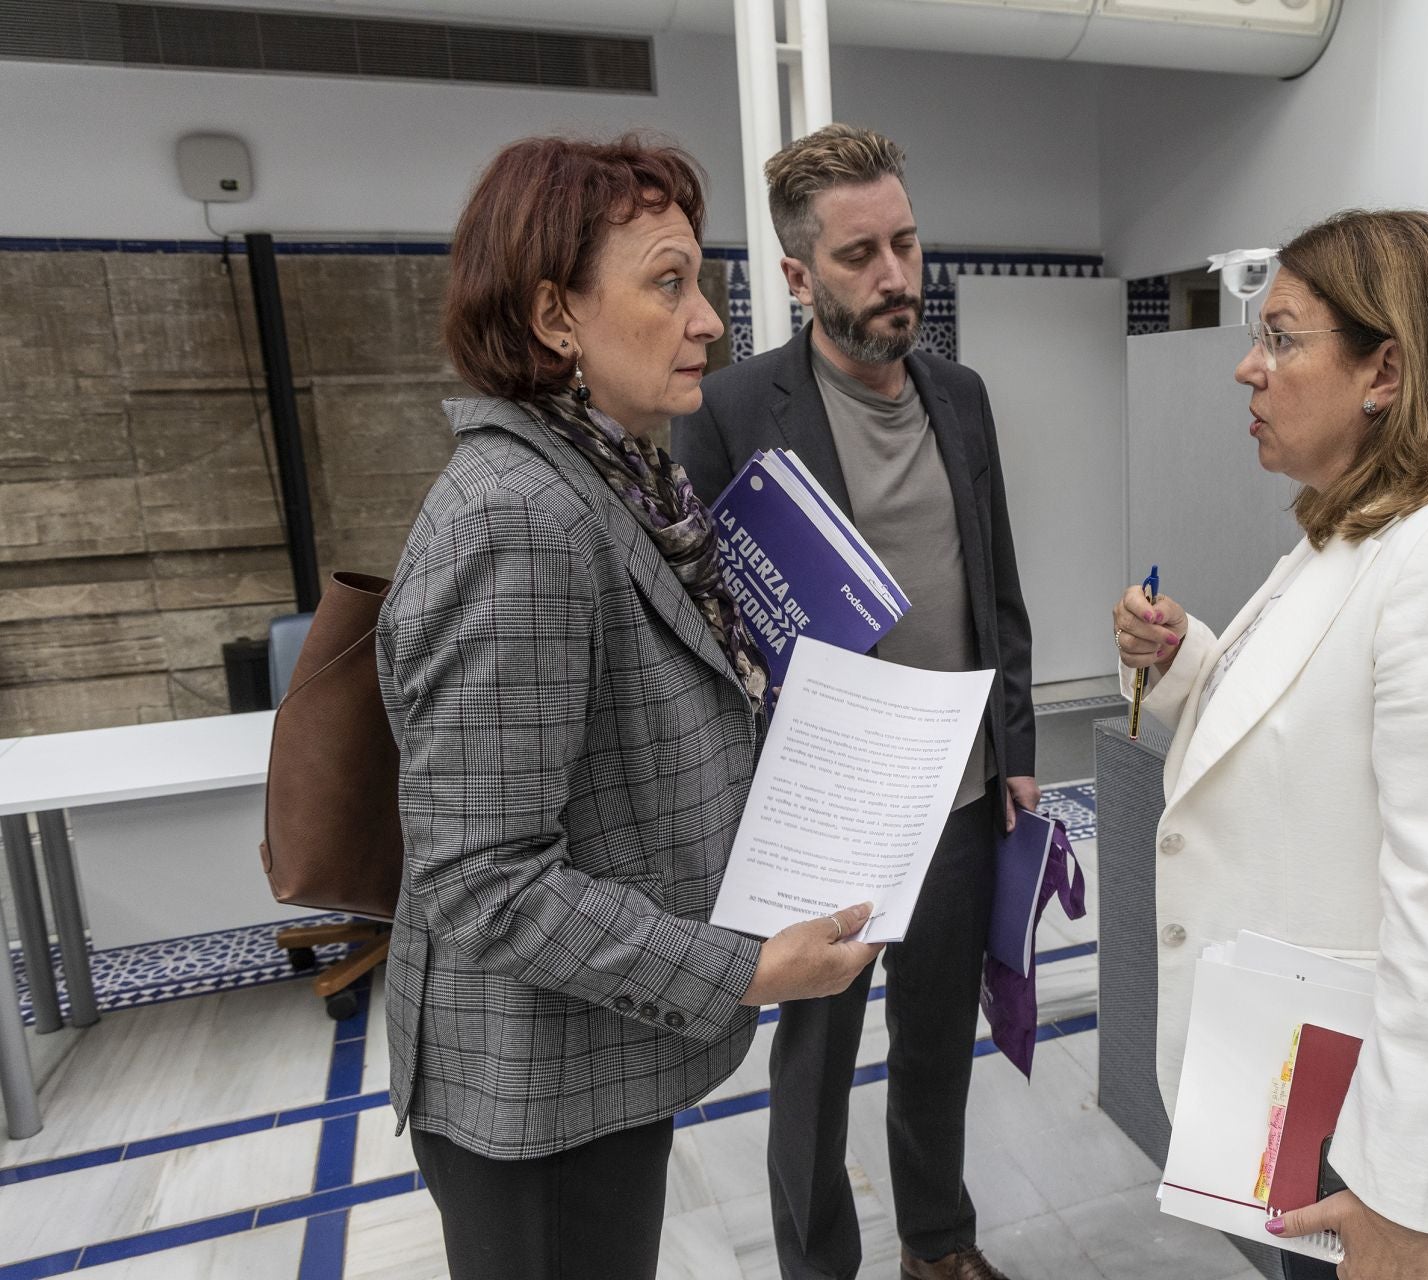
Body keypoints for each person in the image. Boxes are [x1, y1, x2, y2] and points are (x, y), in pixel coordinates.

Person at [377, 134, 882, 1280]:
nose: (707, 319)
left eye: (699, 283)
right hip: (536, 1094)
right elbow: (486, 878)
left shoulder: (614, 484)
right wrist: (746, 968)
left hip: (589, 1050)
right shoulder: (522, 521)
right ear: (557, 316)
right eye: (669, 283)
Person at [1113, 210, 1428, 1280]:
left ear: (1385, 369)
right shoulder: (1356, 528)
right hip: (1328, 1094)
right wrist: (1190, 658)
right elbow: (1317, 728)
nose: (1247, 366)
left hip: (1401, 1138)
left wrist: (1403, 1190)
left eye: (1282, 337)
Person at [673, 123, 1037, 1280]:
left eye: (907, 244)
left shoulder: (963, 396)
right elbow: (700, 616)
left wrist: (1016, 745)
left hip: (960, 792)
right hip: (825, 807)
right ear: (796, 276)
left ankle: (939, 1242)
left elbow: (999, 581)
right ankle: (816, 1264)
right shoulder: (730, 409)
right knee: (816, 1061)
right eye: (859, 255)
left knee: (937, 1041)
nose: (894, 277)